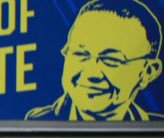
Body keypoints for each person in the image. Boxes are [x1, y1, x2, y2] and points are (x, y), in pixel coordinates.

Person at [26, 0, 162, 121]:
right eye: (80, 54)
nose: (91, 73)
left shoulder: (154, 131)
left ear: (148, 72)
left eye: (111, 60)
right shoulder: (38, 122)